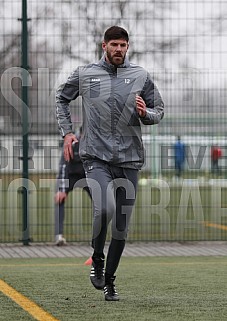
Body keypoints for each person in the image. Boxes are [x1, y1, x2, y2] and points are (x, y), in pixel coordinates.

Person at [56, 26, 164, 301]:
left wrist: (145, 113)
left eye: (123, 45)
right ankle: (96, 259)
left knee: (121, 228)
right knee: (104, 207)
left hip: (129, 160)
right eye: (114, 44)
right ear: (104, 45)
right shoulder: (84, 74)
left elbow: (158, 111)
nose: (118, 49)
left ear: (128, 47)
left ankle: (110, 282)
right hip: (95, 157)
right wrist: (68, 132)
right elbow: (61, 98)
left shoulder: (141, 76)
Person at [55, 128, 91, 246]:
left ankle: (99, 236)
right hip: (70, 176)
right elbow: (63, 166)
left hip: (86, 176)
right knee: (60, 199)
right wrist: (62, 190)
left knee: (101, 203)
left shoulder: (93, 144)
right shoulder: (71, 143)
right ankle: (59, 236)